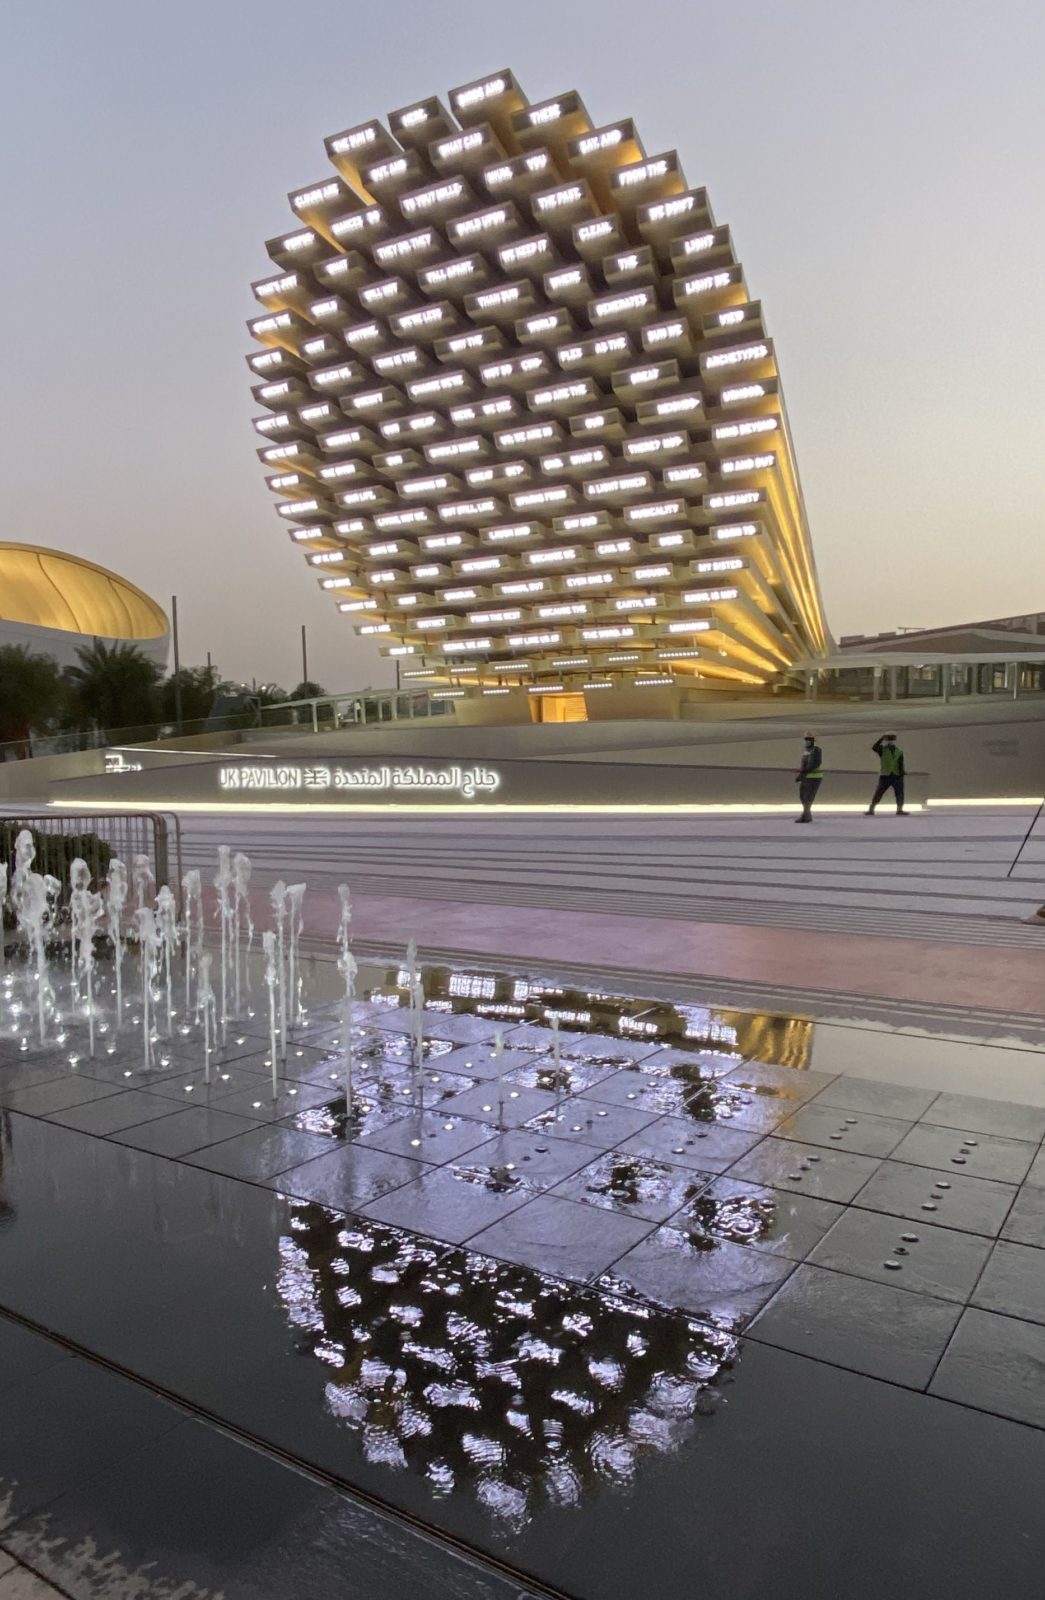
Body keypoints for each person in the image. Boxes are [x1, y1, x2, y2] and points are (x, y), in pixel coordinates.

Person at [867, 732, 909, 816]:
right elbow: (874, 747)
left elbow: (900, 764)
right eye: (889, 739)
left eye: (892, 739)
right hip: (885, 775)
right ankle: (871, 809)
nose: (890, 741)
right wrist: (881, 739)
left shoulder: (899, 752)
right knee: (879, 793)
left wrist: (902, 773)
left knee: (899, 793)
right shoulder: (883, 750)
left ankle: (899, 809)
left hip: (897, 775)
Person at [795, 731, 823, 823]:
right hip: (806, 777)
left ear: (813, 741)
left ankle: (805, 816)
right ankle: (807, 815)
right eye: (806, 739)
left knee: (808, 798)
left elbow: (816, 763)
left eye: (809, 740)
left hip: (814, 777)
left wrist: (804, 771)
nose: (807, 741)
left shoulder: (816, 750)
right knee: (803, 797)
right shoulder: (806, 752)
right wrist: (800, 775)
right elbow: (803, 765)